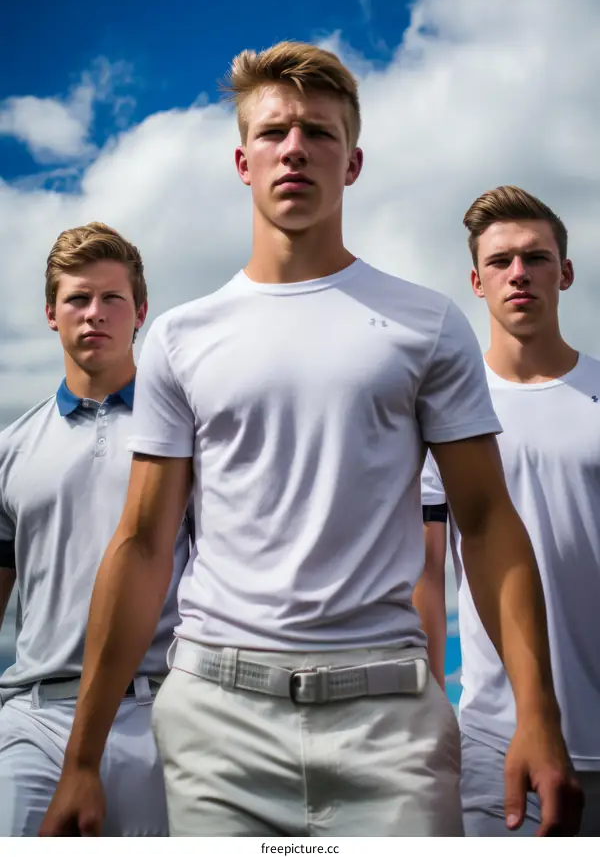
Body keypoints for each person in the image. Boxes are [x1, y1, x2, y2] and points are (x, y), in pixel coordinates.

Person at [42, 45, 580, 838]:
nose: (295, 147)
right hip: (218, 723)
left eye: (319, 133)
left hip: (389, 726)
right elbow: (145, 539)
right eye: (274, 131)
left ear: (353, 161)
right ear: (242, 159)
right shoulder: (182, 338)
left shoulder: (426, 324)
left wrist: (538, 713)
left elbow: (488, 520)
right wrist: (81, 759)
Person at [418, 185, 600, 836]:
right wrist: (428, 708)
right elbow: (427, 576)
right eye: (500, 261)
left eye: (536, 256)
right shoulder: (445, 419)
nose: (518, 273)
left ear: (566, 271)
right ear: (476, 279)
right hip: (498, 738)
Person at [0, 222, 191, 836]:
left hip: (160, 712)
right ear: (50, 314)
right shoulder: (11, 447)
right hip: (35, 716)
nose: (94, 314)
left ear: (140, 312)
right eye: (77, 299)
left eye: (112, 299)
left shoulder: (191, 435)